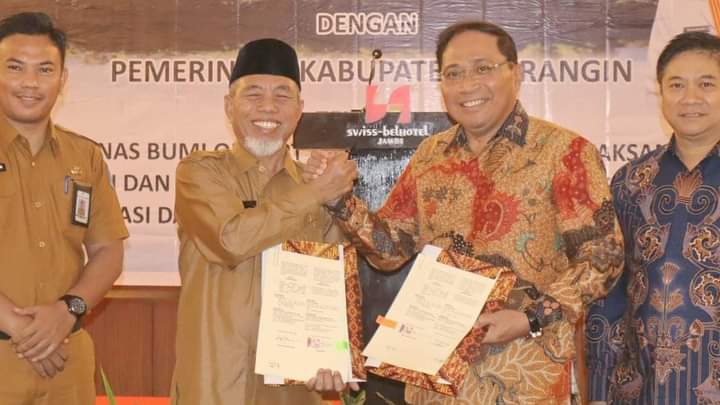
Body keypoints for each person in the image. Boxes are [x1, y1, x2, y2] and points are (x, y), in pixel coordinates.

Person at [306, 20, 624, 404]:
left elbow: (604, 257)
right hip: (434, 378)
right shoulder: (430, 156)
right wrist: (340, 199)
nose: (467, 85)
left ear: (516, 74)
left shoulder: (564, 153)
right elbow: (390, 250)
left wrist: (531, 316)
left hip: (524, 377)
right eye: (453, 73)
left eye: (483, 68)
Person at [170, 38, 358, 405]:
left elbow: (332, 284)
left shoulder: (317, 186)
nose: (268, 107)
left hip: (293, 388)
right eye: (253, 94)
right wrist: (315, 193)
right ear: (229, 106)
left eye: (282, 95)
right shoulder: (200, 172)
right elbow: (231, 240)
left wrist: (332, 355)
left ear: (300, 109)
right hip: (213, 384)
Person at [0, 12, 128, 405]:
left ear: (63, 79)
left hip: (67, 361)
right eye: (15, 67)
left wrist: (67, 311)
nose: (30, 83)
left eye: (44, 69)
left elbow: (108, 250)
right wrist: (19, 327)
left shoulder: (85, 156)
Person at [587, 31, 720, 405]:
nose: (690, 98)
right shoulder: (631, 181)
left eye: (706, 84)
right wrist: (599, 391)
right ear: (660, 92)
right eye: (676, 85)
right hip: (644, 391)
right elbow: (608, 293)